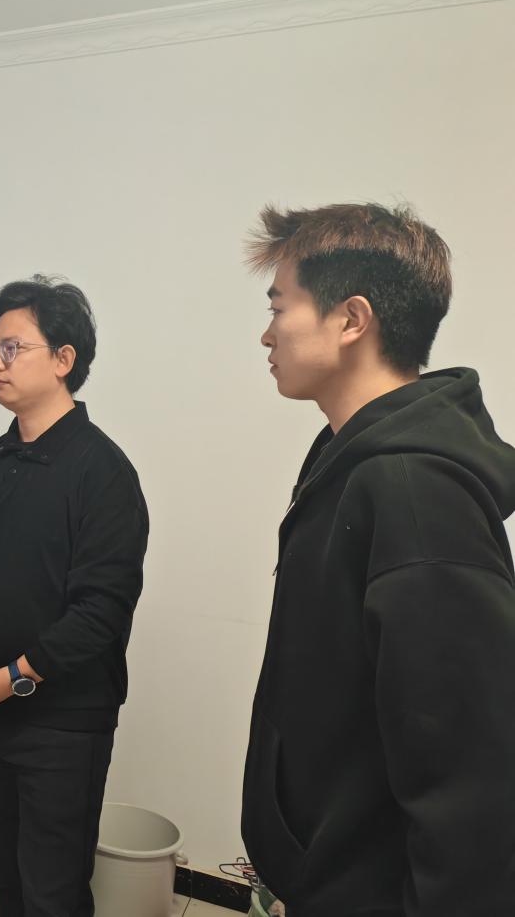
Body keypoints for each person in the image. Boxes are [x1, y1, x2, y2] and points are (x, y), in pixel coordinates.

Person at [242, 203, 515, 915]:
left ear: (351, 319)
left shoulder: (412, 491)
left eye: (279, 307)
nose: (266, 333)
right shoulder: (348, 461)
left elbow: (470, 781)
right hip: (328, 879)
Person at [0, 276, 149, 917]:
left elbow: (101, 613)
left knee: (53, 893)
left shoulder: (103, 473)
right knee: (1, 879)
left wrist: (9, 681)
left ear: (63, 359)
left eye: (13, 348)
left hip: (61, 727)